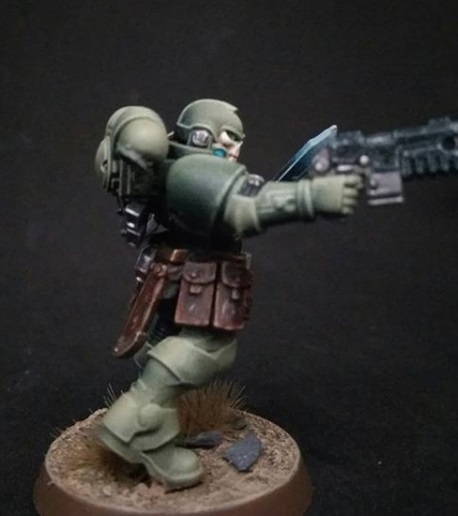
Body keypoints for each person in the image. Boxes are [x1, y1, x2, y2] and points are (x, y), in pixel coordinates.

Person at [94, 99, 362, 489]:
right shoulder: (193, 171)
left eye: (238, 140)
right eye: (227, 139)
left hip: (180, 271)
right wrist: (313, 197)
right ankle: (137, 427)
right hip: (197, 275)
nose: (235, 149)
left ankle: (162, 415)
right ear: (201, 136)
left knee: (166, 342)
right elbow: (241, 212)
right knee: (209, 348)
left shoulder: (180, 167)